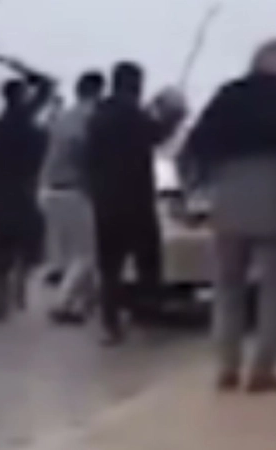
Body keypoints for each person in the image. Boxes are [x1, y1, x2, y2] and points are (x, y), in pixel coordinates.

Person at [183, 39, 276, 392]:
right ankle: (263, 369)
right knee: (275, 291)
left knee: (228, 287)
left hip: (228, 198)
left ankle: (226, 367)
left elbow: (194, 148)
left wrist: (196, 192)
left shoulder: (229, 96)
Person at [85, 62, 186, 345]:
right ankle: (147, 317)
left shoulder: (98, 115)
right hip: (136, 200)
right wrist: (175, 114)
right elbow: (157, 135)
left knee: (110, 268)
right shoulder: (133, 115)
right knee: (148, 262)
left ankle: (110, 324)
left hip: (105, 202)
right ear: (135, 85)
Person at [0, 74, 53, 319]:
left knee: (1, 248)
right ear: (21, 96)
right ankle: (13, 291)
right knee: (27, 243)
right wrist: (37, 80)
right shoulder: (28, 127)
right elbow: (45, 93)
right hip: (22, 190)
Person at [39, 71, 105, 324]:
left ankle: (85, 303)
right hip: (72, 190)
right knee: (86, 255)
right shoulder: (87, 118)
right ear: (98, 92)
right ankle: (63, 304)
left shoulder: (64, 117)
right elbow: (82, 151)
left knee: (72, 254)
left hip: (48, 189)